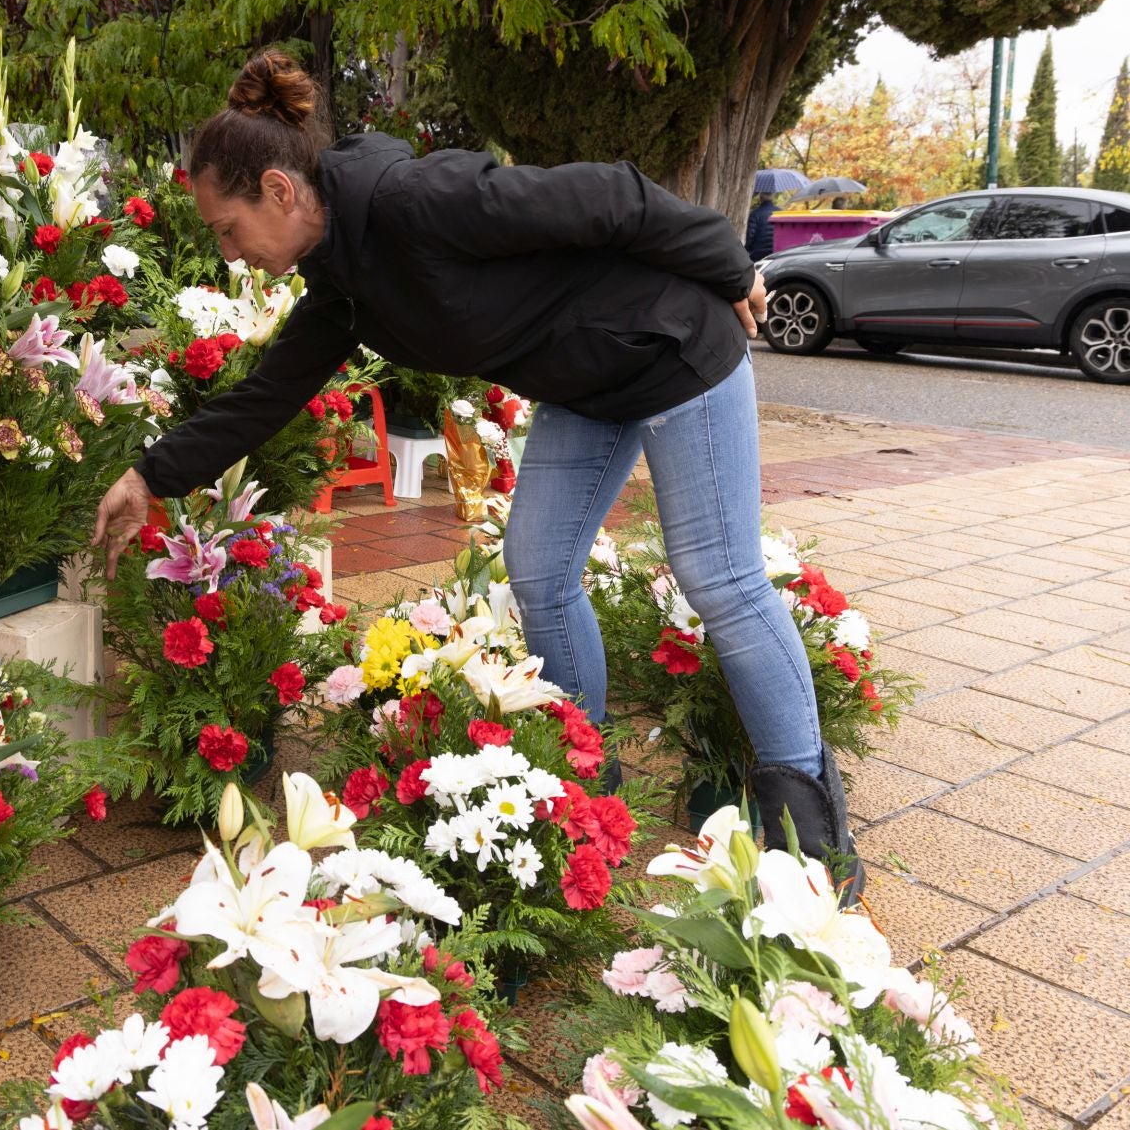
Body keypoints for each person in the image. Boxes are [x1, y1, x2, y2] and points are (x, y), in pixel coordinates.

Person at [91, 51, 862, 896]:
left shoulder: (415, 201)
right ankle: (583, 782)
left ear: (277, 190)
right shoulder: (342, 281)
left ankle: (811, 838)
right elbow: (267, 393)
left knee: (719, 575)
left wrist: (730, 264)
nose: (230, 253)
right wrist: (149, 476)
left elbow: (610, 196)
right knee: (539, 570)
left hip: (674, 345)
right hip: (588, 386)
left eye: (227, 229)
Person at [744, 191, 780, 261]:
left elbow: (750, 236)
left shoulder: (755, 214)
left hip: (758, 255)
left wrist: (746, 250)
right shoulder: (780, 213)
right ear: (773, 196)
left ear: (760, 197)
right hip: (776, 253)